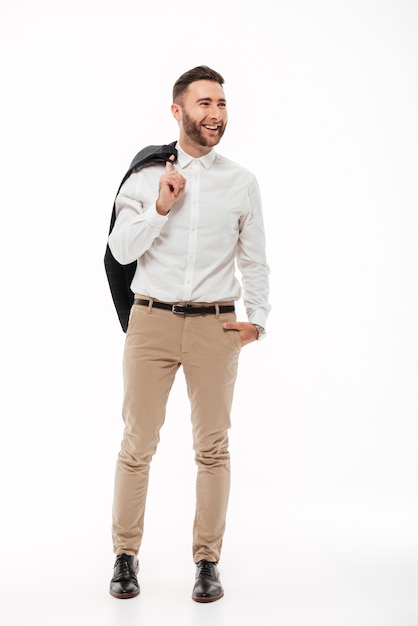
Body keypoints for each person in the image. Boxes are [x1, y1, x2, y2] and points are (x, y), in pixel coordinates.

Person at [107, 65, 270, 602]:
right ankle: (125, 556)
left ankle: (207, 561)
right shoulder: (144, 176)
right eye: (204, 103)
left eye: (221, 103)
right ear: (177, 111)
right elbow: (120, 250)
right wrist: (159, 207)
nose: (215, 114)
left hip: (214, 327)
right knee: (137, 445)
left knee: (213, 449)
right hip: (150, 321)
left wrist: (258, 320)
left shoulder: (242, 182)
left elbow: (255, 261)